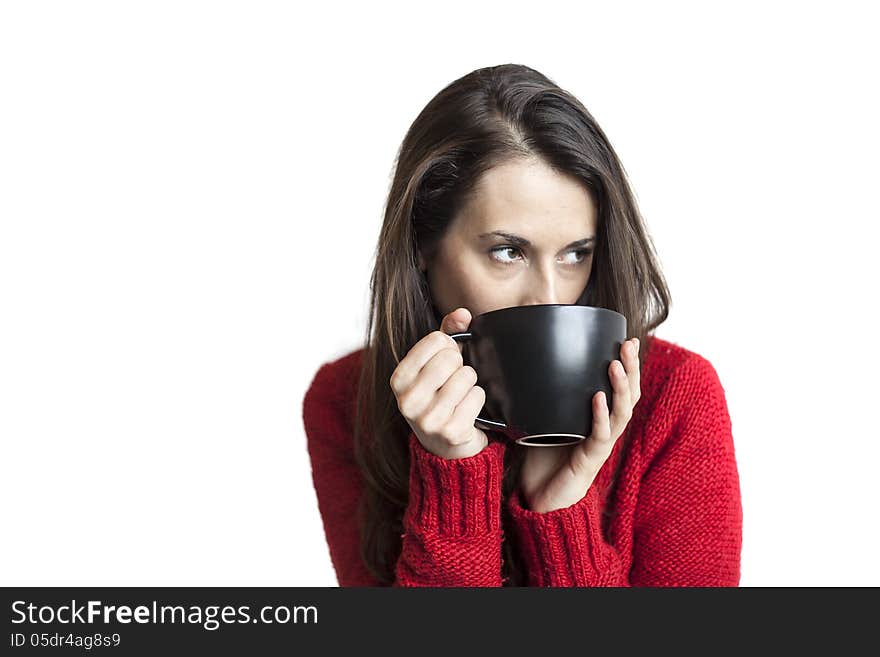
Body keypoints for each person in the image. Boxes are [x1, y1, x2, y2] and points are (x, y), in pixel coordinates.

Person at [302, 63, 742, 587]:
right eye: (508, 252)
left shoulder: (675, 396)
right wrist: (453, 480)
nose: (551, 297)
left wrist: (561, 509)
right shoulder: (345, 400)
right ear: (423, 246)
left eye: (576, 253)